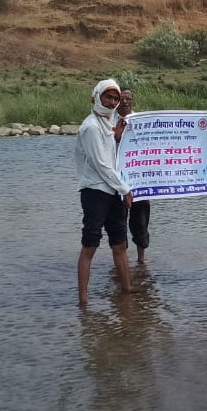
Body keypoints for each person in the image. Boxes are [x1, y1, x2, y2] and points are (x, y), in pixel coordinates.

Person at [75, 78, 134, 305]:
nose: (112, 102)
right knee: (90, 245)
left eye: (115, 98)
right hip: (95, 192)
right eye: (108, 97)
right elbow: (101, 164)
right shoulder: (90, 126)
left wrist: (117, 137)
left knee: (120, 244)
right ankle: (83, 300)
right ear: (96, 97)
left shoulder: (110, 124)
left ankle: (127, 291)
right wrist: (125, 189)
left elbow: (112, 156)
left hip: (113, 192)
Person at [114, 88, 151, 264]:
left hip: (139, 181)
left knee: (141, 223)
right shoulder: (107, 121)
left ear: (133, 101)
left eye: (128, 98)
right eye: (121, 99)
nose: (125, 102)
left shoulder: (142, 121)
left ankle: (141, 261)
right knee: (118, 223)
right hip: (115, 181)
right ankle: (122, 262)